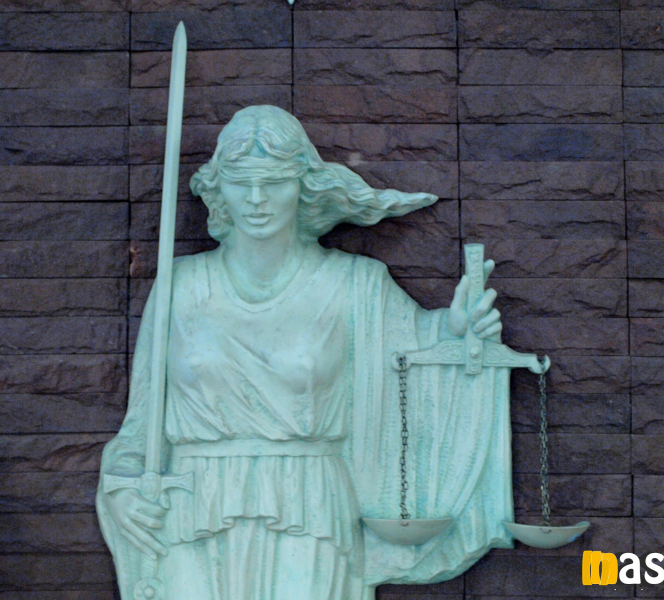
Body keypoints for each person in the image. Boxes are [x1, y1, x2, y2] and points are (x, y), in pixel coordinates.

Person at [97, 105, 514, 600]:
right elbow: (140, 424)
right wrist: (121, 489)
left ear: (303, 185)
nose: (256, 199)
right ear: (219, 189)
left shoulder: (354, 285)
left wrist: (457, 330)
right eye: (241, 182)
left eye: (274, 182)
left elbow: (417, 353)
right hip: (191, 509)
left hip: (308, 507)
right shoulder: (180, 286)